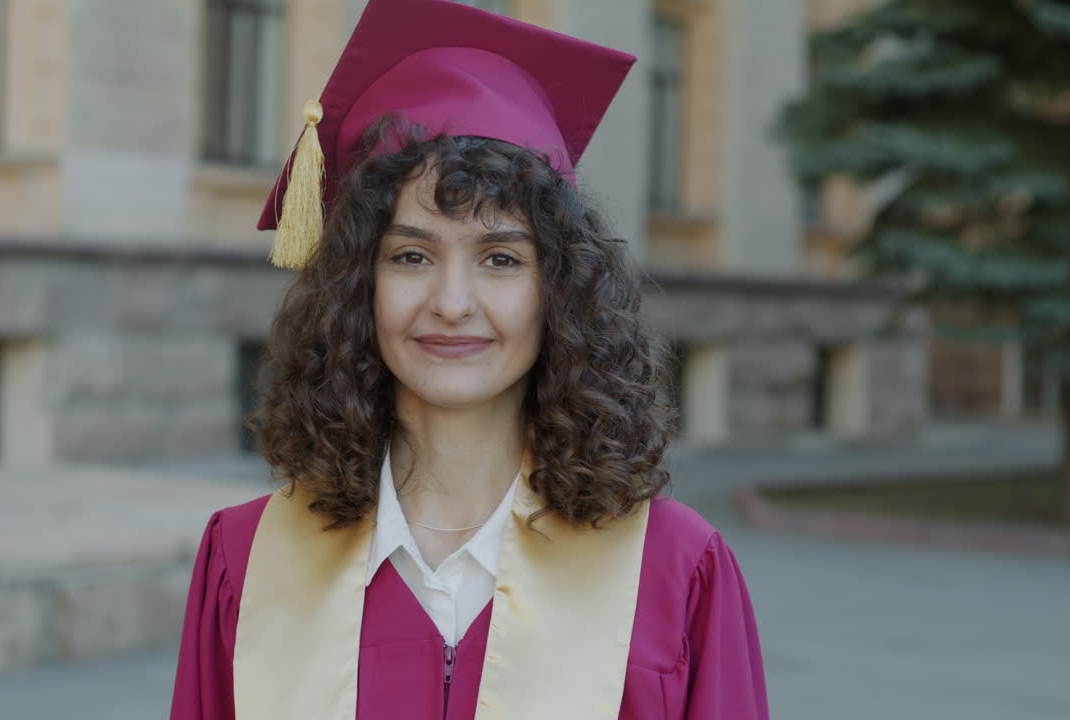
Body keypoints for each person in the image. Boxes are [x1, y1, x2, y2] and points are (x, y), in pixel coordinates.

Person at [169, 0, 769, 717]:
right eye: (412, 255)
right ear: (359, 285)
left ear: (560, 290)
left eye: (502, 258)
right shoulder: (249, 559)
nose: (452, 302)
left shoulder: (673, 569)